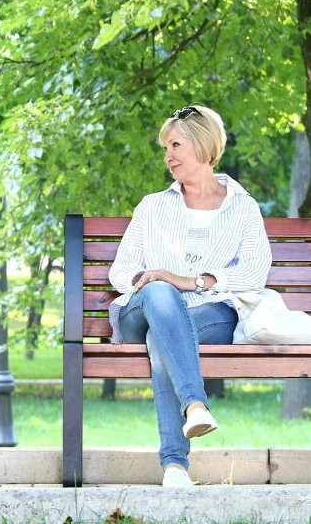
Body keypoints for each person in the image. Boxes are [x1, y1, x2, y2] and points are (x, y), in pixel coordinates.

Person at [108, 105, 271, 488]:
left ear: (203, 144)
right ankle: (194, 404)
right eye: (166, 147)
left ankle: (175, 467)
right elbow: (120, 270)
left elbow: (255, 272)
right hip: (142, 311)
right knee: (160, 297)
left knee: (163, 335)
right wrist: (157, 282)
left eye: (176, 145)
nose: (168, 156)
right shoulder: (152, 206)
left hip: (211, 314)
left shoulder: (243, 208)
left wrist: (192, 281)